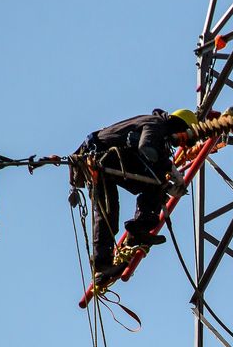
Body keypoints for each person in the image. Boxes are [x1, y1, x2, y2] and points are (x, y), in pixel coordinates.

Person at [72, 108, 197, 284]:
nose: (179, 144)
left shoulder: (158, 127)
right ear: (180, 125)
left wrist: (165, 179)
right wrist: (169, 169)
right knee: (108, 211)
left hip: (109, 160)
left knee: (151, 187)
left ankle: (137, 232)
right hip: (101, 159)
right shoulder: (157, 123)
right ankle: (102, 265)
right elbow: (147, 148)